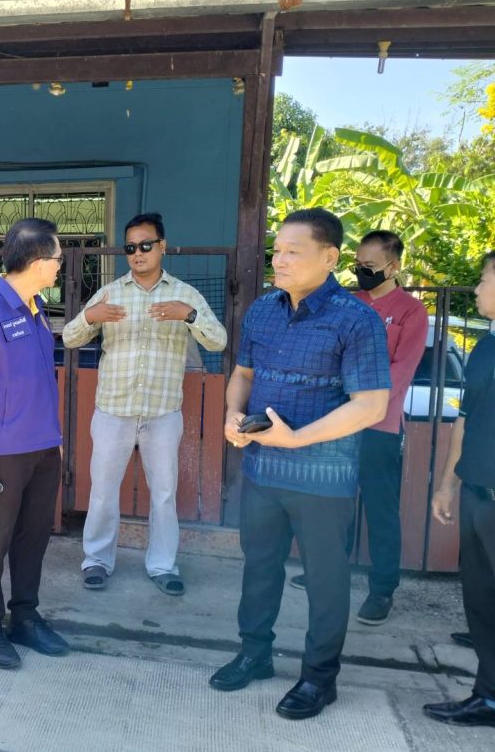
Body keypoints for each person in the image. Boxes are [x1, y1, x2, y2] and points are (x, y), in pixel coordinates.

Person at [210, 208, 390, 720]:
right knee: (259, 568)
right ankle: (255, 653)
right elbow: (244, 374)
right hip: (262, 472)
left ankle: (319, 678)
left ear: (329, 258)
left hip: (323, 478)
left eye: (293, 251)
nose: (280, 260)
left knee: (327, 581)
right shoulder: (263, 310)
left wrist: (297, 440)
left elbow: (371, 405)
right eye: (278, 250)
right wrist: (232, 414)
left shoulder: (356, 319)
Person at [62, 212, 226, 595]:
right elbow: (70, 337)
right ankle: (96, 561)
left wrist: (189, 316)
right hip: (113, 411)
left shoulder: (185, 295)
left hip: (162, 413)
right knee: (103, 491)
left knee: (164, 494)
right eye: (131, 247)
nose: (138, 253)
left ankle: (163, 565)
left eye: (146, 245)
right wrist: (90, 317)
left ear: (162, 246)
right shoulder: (110, 293)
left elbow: (217, 341)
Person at [290, 230, 427, 626]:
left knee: (381, 509)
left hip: (380, 424)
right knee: (334, 502)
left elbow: (401, 370)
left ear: (393, 266)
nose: (362, 271)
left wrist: (359, 400)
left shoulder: (410, 311)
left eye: (370, 266)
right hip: (337, 422)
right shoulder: (349, 303)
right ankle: (329, 571)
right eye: (358, 264)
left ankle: (382, 589)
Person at [0, 218, 68, 669]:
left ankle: (24, 615)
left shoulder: (36, 308)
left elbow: (40, 381)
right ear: (38, 262)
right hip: (3, 451)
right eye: (57, 258)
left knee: (33, 537)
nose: (60, 266)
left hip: (43, 448)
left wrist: (55, 441)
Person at [423, 250, 495, 728]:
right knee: (481, 600)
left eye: (484, 279)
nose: (477, 289)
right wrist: (448, 483)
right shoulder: (485, 347)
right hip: (477, 494)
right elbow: (465, 420)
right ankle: (488, 697)